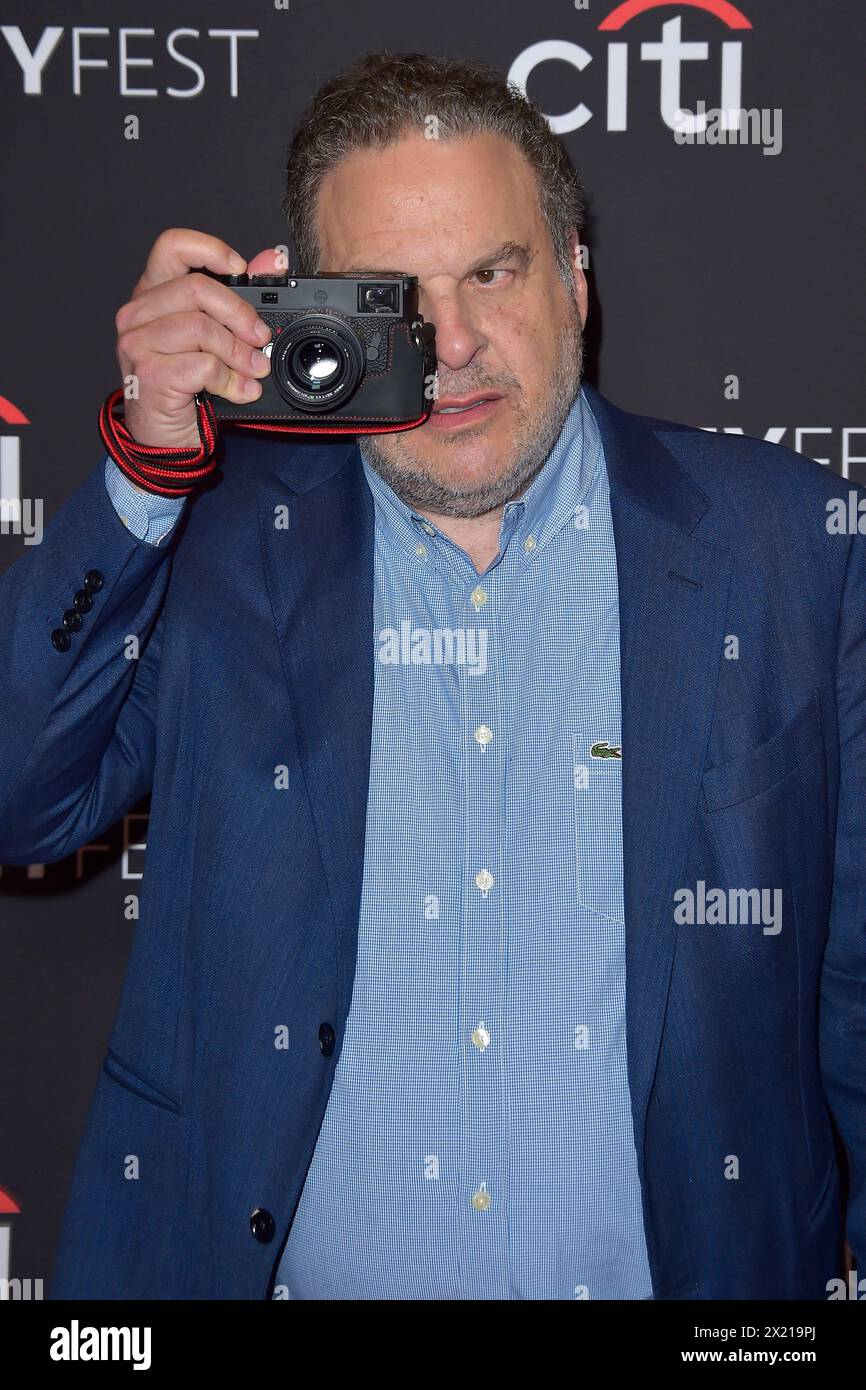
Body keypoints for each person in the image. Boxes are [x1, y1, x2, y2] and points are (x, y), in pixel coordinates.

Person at [1, 50, 863, 1301]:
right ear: (301, 310)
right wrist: (144, 464)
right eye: (392, 296)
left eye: (493, 272)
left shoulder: (791, 551)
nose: (450, 343)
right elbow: (21, 795)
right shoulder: (211, 545)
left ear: (574, 277)